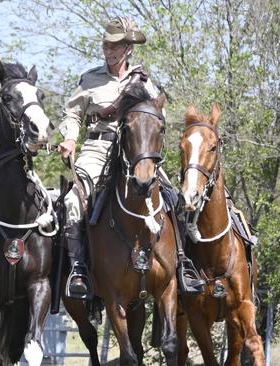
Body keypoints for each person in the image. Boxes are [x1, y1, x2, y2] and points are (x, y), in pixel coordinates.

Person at [58, 17, 205, 300]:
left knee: (174, 197)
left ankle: (184, 262)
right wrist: (70, 137)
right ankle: (78, 267)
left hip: (135, 151)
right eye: (106, 45)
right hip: (99, 148)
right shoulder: (90, 79)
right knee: (72, 200)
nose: (109, 50)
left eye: (116, 46)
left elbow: (155, 116)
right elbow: (73, 114)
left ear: (128, 49)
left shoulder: (143, 81)